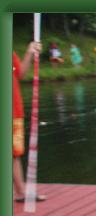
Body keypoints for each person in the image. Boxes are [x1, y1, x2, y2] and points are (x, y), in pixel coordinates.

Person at [13, 41, 46, 202]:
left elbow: (20, 74)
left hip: (14, 112)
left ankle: (20, 193)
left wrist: (30, 52)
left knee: (14, 154)